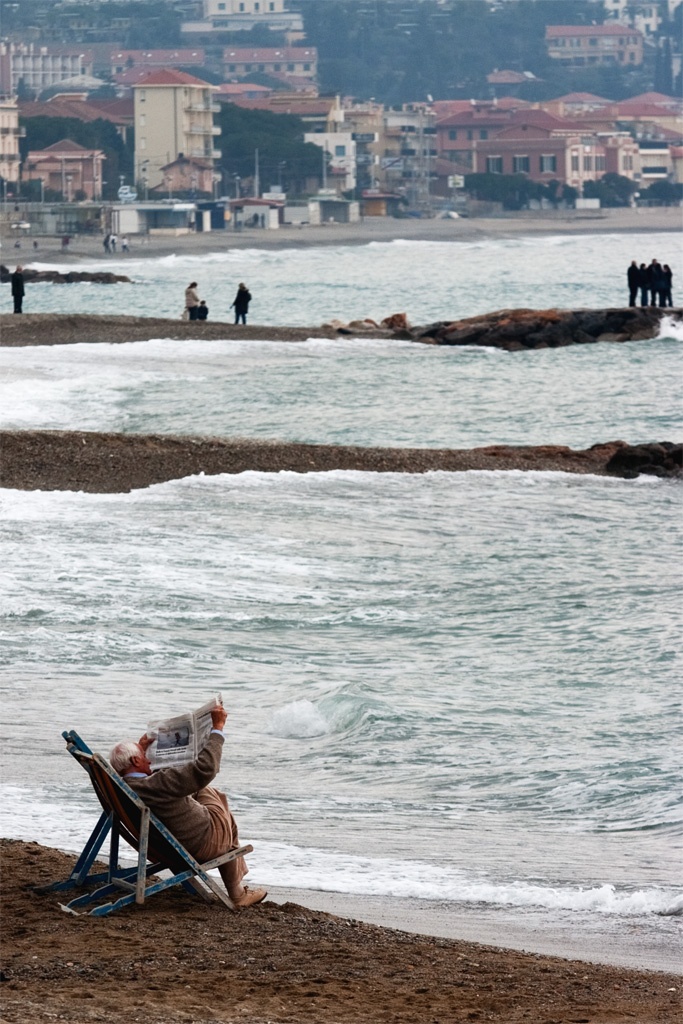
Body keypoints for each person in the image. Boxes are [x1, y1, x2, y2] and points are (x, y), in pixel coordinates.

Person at [109, 704, 266, 908]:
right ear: (136, 760)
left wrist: (142, 747)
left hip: (170, 842)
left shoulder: (123, 787)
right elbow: (206, 769)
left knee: (205, 792)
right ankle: (236, 892)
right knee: (216, 796)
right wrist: (217, 728)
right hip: (201, 843)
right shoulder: (156, 784)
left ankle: (236, 886)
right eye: (144, 755)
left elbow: (165, 780)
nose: (149, 759)